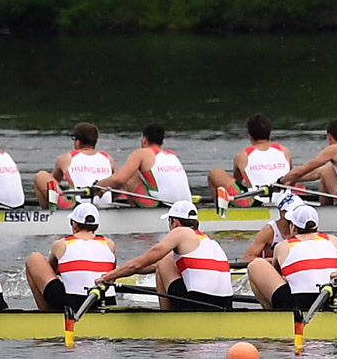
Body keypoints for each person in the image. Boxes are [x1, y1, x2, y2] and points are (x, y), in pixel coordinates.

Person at [91, 199, 235, 311]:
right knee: (167, 261)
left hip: (200, 302)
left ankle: (166, 319)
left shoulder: (180, 232)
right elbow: (145, 268)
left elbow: (139, 264)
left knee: (163, 263)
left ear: (175, 222)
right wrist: (116, 274)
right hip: (226, 303)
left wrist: (107, 277)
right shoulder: (209, 241)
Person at [246, 202, 337, 311]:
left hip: (299, 304)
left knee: (255, 265)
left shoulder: (283, 246)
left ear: (293, 227)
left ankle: (272, 315)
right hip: (335, 298)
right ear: (317, 226)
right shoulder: (334, 240)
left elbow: (279, 275)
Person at [24, 204, 116, 315]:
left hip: (74, 303)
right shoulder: (110, 244)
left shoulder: (61, 244)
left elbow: (51, 272)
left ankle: (47, 314)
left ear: (74, 224)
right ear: (96, 227)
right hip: (107, 302)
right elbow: (112, 274)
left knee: (34, 259)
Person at [94, 122, 193, 207]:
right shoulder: (171, 155)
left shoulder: (142, 153)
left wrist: (98, 185)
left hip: (163, 205)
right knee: (136, 173)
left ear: (144, 140)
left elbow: (120, 179)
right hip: (186, 205)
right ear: (162, 142)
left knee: (129, 176)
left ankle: (134, 213)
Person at [206, 115, 292, 204]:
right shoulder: (284, 151)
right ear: (269, 133)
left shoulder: (242, 156)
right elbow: (292, 178)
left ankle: (219, 209)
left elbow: (236, 184)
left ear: (250, 136)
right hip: (286, 199)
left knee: (215, 173)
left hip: (256, 201)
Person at [35, 121, 113, 208]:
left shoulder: (65, 158)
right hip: (106, 206)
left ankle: (48, 215)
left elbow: (53, 185)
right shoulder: (108, 159)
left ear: (78, 142)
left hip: (76, 206)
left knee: (41, 176)